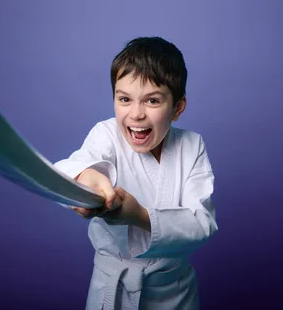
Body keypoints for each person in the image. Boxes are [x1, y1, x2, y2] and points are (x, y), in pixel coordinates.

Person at [54, 37, 218, 309]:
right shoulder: (106, 135)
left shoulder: (192, 146)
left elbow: (202, 223)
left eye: (152, 100)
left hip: (174, 292)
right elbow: (75, 166)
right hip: (113, 288)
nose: (136, 114)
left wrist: (139, 216)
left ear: (177, 107)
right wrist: (87, 181)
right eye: (124, 99)